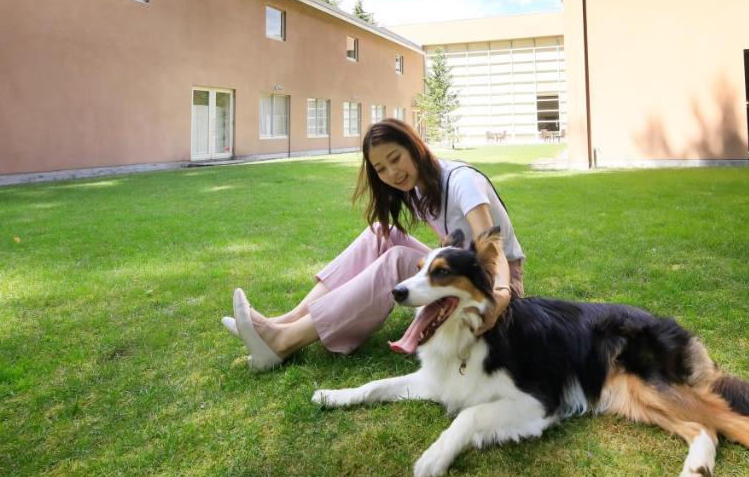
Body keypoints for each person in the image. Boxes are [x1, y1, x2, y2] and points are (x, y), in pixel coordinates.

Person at [221, 118, 526, 370]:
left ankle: (283, 341)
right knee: (380, 231)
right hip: (463, 275)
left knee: (396, 259)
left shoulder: (461, 181)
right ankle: (284, 321)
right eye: (381, 169)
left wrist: (500, 293)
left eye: (396, 159)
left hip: (496, 281)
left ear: (415, 146)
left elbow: (491, 246)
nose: (392, 173)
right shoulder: (419, 189)